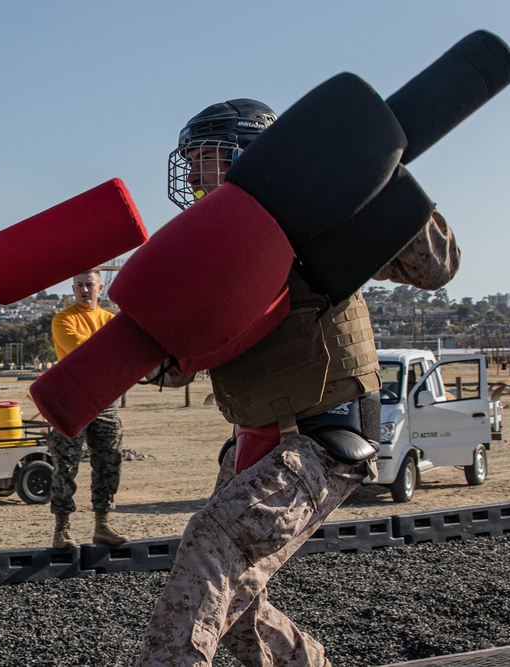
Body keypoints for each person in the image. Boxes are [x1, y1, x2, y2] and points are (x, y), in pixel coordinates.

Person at [137, 99, 460, 666]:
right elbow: (176, 362)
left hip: (323, 432)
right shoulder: (211, 246)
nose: (190, 175)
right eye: (187, 162)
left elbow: (436, 267)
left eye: (203, 158)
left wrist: (376, 171)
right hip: (253, 436)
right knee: (235, 610)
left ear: (249, 153)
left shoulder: (320, 217)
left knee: (211, 546)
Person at [48, 269, 129, 549]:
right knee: (65, 465)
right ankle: (62, 529)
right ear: (73, 289)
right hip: (71, 401)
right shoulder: (63, 319)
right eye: (79, 285)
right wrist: (112, 350)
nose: (84, 290)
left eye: (89, 285)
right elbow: (83, 353)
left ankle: (103, 525)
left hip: (105, 401)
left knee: (109, 462)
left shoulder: (110, 320)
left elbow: (123, 352)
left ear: (100, 288)